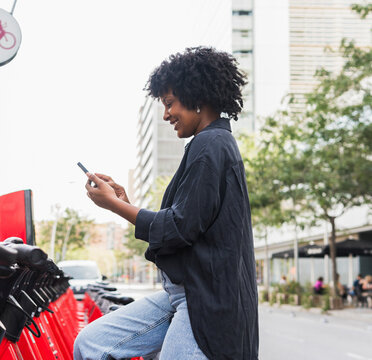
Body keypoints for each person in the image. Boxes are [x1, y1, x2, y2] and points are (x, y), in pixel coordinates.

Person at [74, 47, 258, 359]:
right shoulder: (208, 144)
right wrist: (126, 202)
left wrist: (114, 206)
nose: (166, 114)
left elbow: (178, 228)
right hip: (184, 294)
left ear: (197, 97)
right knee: (92, 342)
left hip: (204, 302)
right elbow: (188, 222)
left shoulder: (211, 144)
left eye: (170, 103)